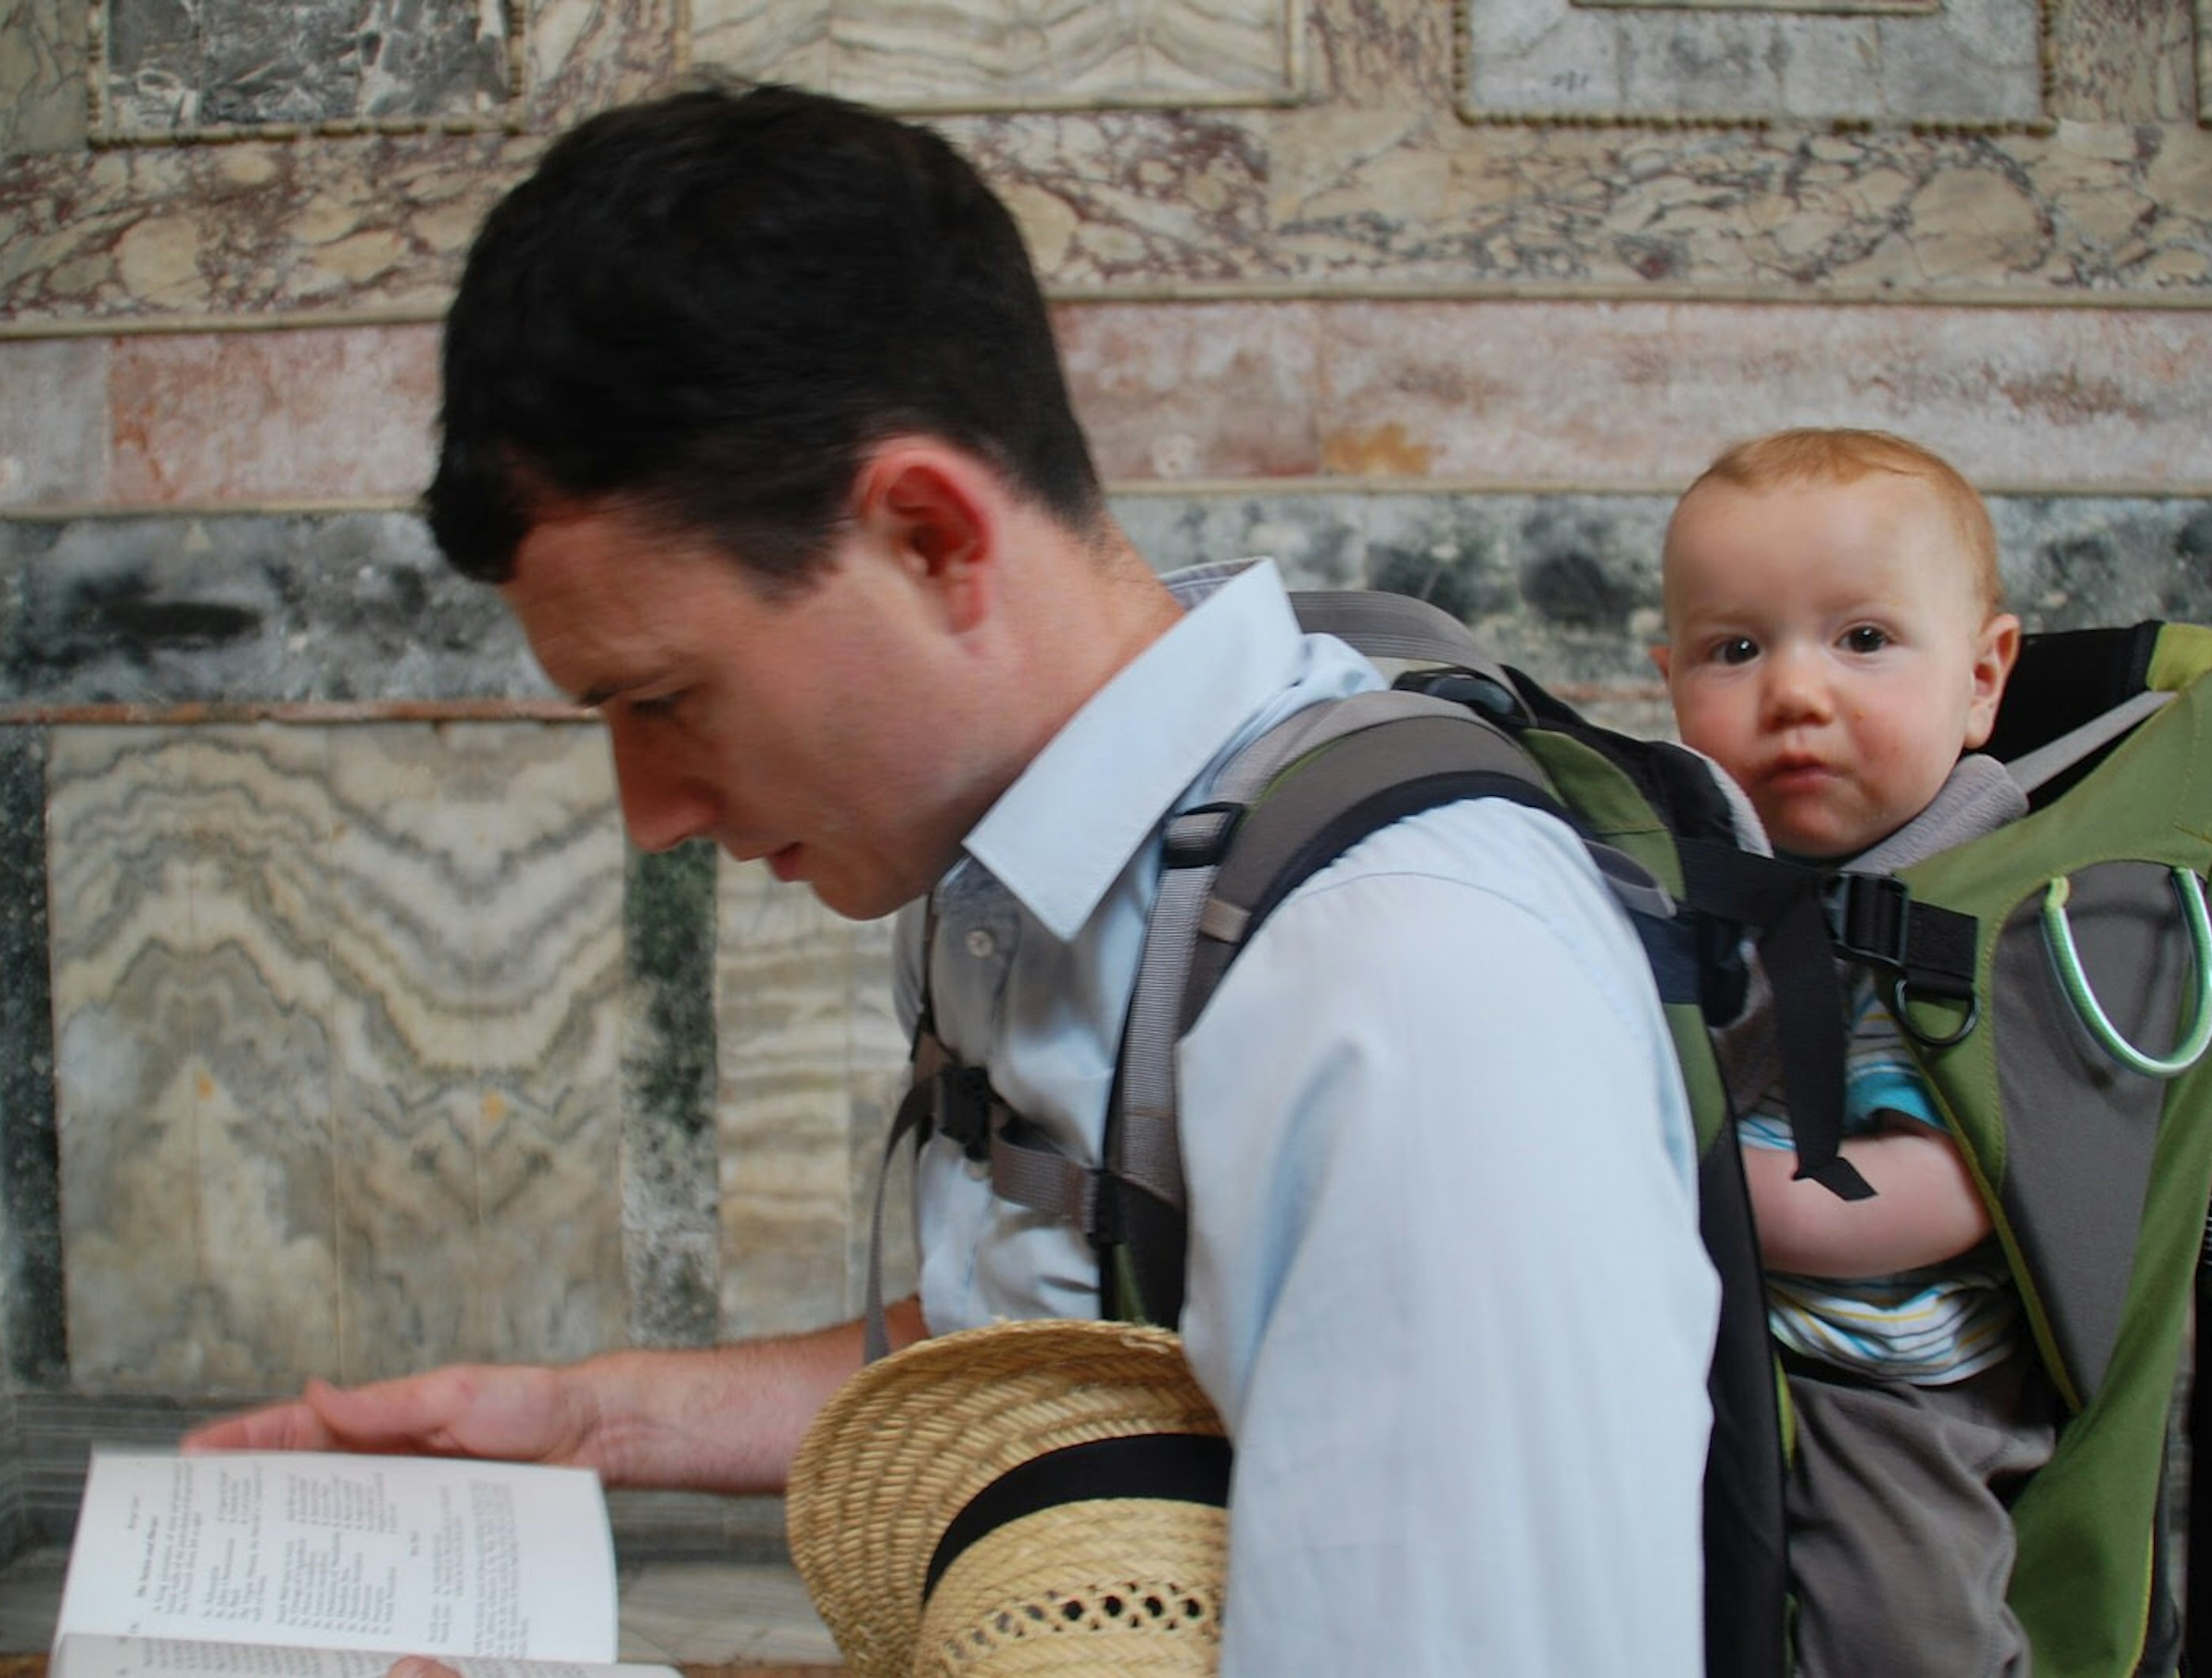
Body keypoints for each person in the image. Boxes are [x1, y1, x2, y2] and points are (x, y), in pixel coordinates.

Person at [187, 81, 1717, 1673]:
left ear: (928, 535)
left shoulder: (1408, 982)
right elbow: (1087, 1347)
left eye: (661, 697)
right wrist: (597, 1418)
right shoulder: (1017, 869)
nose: (646, 810)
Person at [1653, 426, 2054, 1677]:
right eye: (1737, 649)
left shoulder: (1964, 901)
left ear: (1984, 677)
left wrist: (1710, 1190)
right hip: (1713, 1330)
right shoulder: (1706, 866)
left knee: (1900, 1625)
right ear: (1670, 685)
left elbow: (1954, 1189)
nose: (1797, 692)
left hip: (1892, 1376)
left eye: (1864, 639)